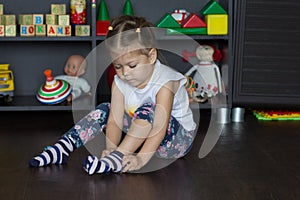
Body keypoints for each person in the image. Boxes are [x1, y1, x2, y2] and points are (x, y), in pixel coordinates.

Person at [29, 15, 196, 175]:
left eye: (132, 65)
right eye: (118, 66)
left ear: (151, 56)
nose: (125, 73)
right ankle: (63, 147)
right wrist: (110, 147)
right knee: (105, 109)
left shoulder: (165, 83)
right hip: (142, 135)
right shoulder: (119, 82)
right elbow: (114, 120)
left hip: (174, 143)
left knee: (149, 109)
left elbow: (159, 127)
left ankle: (117, 158)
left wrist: (140, 160)